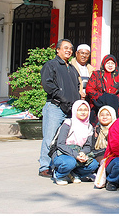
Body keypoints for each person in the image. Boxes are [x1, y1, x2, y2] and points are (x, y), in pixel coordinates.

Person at [39, 39, 80, 178]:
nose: (68, 50)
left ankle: (59, 164)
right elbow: (48, 84)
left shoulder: (72, 68)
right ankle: (45, 166)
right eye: (65, 48)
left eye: (70, 48)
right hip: (55, 107)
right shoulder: (51, 65)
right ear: (58, 50)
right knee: (50, 137)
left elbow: (77, 87)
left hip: (70, 109)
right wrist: (62, 97)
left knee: (65, 140)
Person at [51, 100, 99, 185]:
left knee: (94, 164)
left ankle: (74, 174)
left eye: (86, 110)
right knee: (70, 162)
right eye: (80, 110)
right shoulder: (68, 123)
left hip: (78, 152)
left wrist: (83, 153)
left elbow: (88, 145)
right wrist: (75, 155)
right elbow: (60, 144)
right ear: (74, 110)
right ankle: (59, 174)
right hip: (62, 153)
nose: (83, 112)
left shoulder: (89, 126)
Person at [86, 55, 119, 123]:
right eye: (108, 63)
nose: (110, 65)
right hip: (98, 106)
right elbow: (89, 89)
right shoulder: (96, 74)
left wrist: (112, 100)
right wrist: (102, 99)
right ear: (104, 63)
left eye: (112, 63)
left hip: (114, 107)